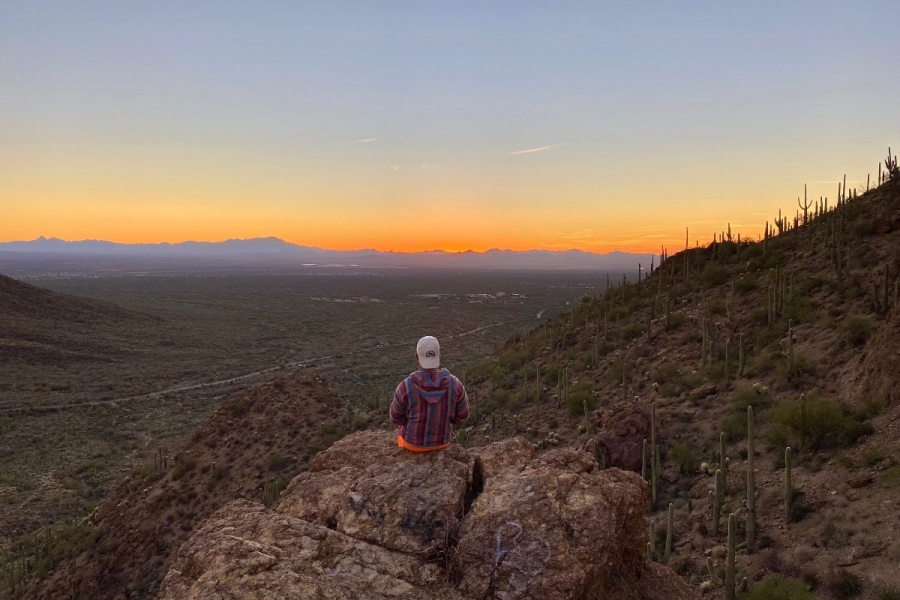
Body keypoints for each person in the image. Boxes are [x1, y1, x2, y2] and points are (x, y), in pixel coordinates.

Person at [390, 335, 469, 452]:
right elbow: (462, 417)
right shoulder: (455, 384)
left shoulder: (405, 386)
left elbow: (395, 418)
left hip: (411, 445)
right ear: (439, 355)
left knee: (400, 438)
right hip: (443, 444)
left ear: (416, 357)